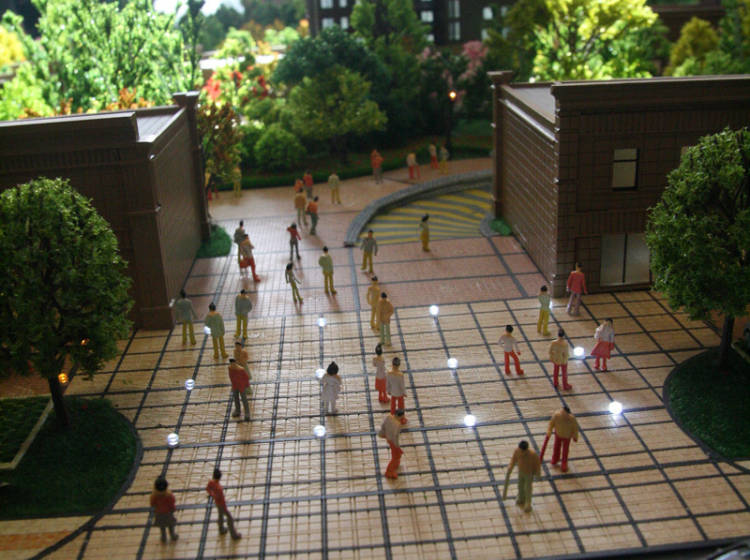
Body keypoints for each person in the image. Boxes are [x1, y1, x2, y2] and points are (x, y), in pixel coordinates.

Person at [503, 441, 541, 513]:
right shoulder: (517, 451)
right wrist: (510, 467)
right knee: (520, 485)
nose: (522, 452)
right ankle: (521, 497)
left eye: (523, 451)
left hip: (529, 473)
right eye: (521, 450)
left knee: (528, 488)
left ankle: (528, 502)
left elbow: (537, 464)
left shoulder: (532, 454)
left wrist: (537, 473)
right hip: (520, 472)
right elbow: (513, 459)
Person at [206, 468, 242, 539]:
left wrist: (212, 495)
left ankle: (221, 529)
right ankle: (234, 535)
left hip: (217, 503)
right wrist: (224, 507)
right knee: (230, 518)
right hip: (221, 505)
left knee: (220, 515)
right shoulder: (219, 488)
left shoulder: (211, 482)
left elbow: (207, 488)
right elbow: (221, 500)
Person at [547, 406, 579, 472]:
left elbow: (575, 428)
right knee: (556, 447)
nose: (564, 416)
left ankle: (564, 462)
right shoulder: (556, 416)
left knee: (565, 450)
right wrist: (549, 431)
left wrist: (575, 436)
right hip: (558, 434)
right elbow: (551, 423)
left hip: (567, 436)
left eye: (565, 414)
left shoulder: (572, 419)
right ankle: (555, 458)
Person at [150, 476, 178, 543]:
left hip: (159, 513)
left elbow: (152, 504)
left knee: (162, 526)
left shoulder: (154, 495)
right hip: (168, 513)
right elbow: (172, 502)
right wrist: (173, 509)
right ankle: (172, 535)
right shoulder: (169, 495)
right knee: (170, 525)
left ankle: (163, 537)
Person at [379, 409, 405, 479]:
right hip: (393, 441)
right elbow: (395, 437)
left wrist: (382, 433)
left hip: (388, 438)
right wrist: (397, 447)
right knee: (396, 457)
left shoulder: (389, 417)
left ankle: (395, 465)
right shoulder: (397, 424)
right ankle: (389, 471)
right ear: (400, 416)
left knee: (396, 455)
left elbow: (383, 425)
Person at [386, 357, 407, 424]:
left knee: (393, 405)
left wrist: (388, 391)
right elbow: (402, 386)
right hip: (400, 393)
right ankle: (402, 417)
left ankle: (392, 416)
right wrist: (404, 393)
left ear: (392, 364)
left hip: (393, 392)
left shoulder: (389, 373)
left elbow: (387, 384)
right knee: (401, 406)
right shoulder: (400, 375)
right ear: (399, 365)